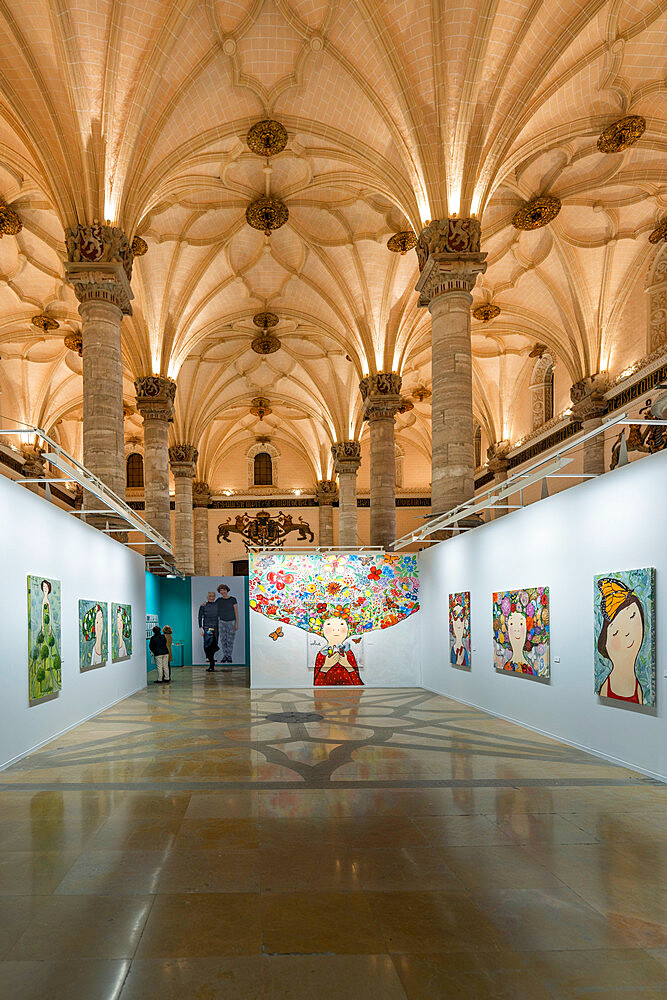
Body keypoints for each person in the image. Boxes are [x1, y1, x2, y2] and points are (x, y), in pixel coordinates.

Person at [597, 577, 646, 704]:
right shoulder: (606, 688)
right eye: (616, 632)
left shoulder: (637, 688)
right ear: (605, 644)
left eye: (633, 616)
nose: (628, 633)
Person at [313, 611, 363, 686]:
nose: (336, 629)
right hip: (325, 695)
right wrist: (326, 666)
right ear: (321, 629)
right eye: (329, 624)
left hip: (350, 695)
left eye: (342, 624)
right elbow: (316, 685)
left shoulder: (348, 653)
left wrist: (347, 665)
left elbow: (358, 685)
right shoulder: (322, 655)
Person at [215, 584, 238, 666]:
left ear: (227, 590)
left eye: (224, 590)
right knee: (223, 640)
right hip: (221, 622)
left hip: (231, 622)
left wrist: (236, 623)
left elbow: (236, 612)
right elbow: (213, 608)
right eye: (221, 590)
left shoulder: (233, 599)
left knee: (230, 640)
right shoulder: (218, 600)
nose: (223, 591)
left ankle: (229, 656)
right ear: (219, 591)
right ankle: (225, 656)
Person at [199, 591, 221, 670]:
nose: (211, 597)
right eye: (210, 596)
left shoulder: (217, 605)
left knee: (214, 644)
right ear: (207, 597)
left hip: (215, 627)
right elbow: (200, 616)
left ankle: (211, 661)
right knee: (207, 644)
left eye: (213, 596)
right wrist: (200, 627)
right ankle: (209, 659)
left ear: (215, 597)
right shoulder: (203, 606)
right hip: (207, 628)